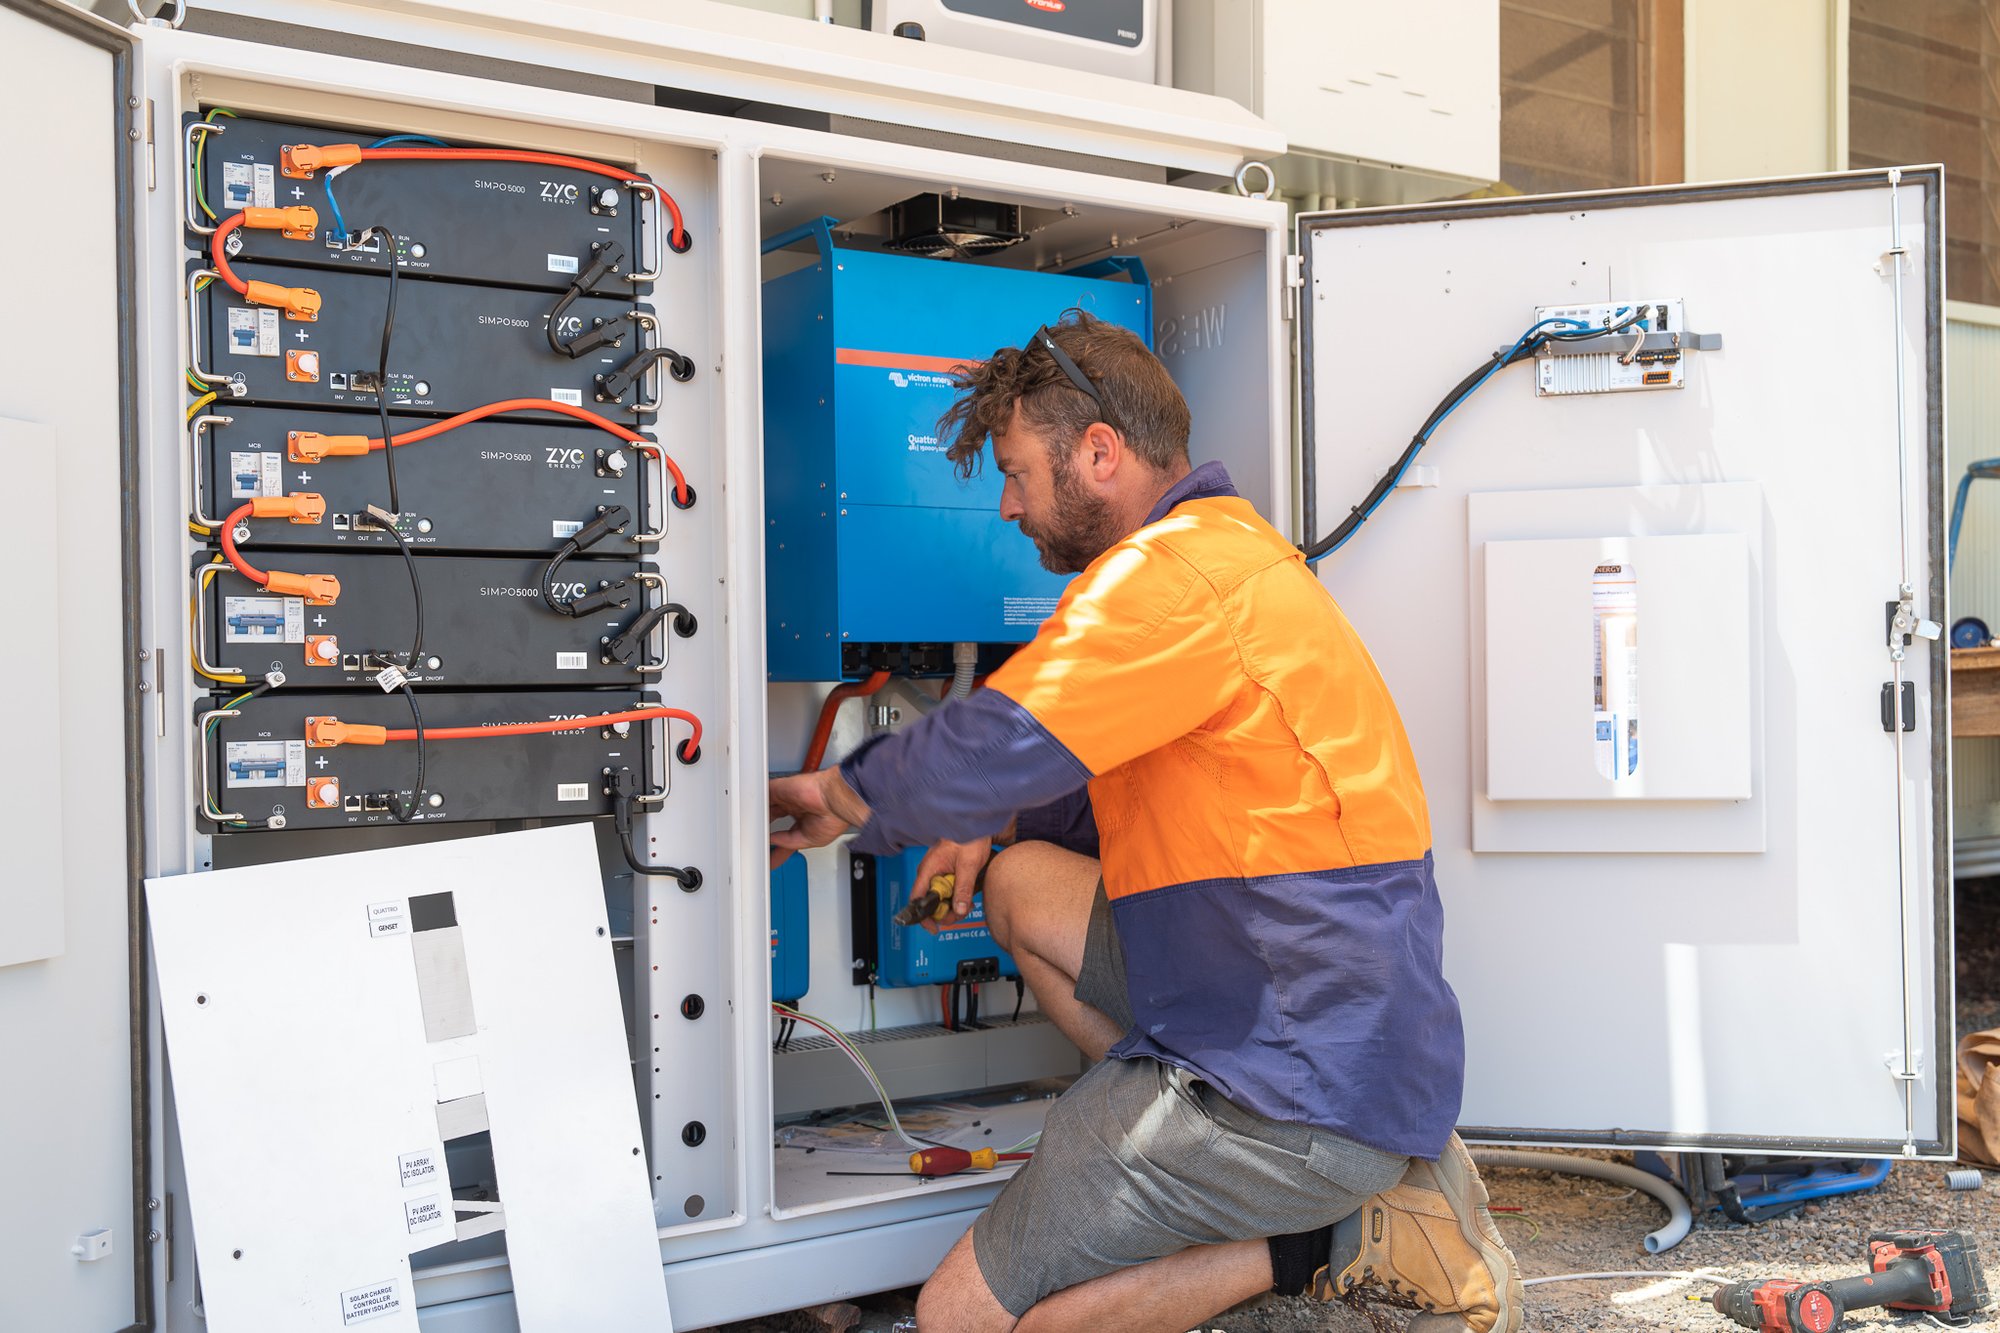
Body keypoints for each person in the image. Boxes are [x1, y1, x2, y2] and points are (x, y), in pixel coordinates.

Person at [767, 310, 1522, 1333]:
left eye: (1018, 473)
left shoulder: (1165, 577)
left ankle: (1325, 1235)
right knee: (1021, 880)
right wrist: (989, 822)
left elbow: (1008, 735)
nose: (1006, 506)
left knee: (959, 1315)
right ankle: (1181, 1167)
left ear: (1098, 453)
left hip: (1294, 1081)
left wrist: (843, 797)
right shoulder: (1230, 554)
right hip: (1330, 1028)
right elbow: (1096, 768)